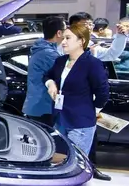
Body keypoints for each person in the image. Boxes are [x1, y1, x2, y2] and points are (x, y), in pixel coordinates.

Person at [44, 23, 109, 156]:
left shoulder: (92, 63)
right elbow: (47, 75)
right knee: (59, 159)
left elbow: (102, 92)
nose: (63, 42)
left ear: (81, 41)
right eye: (63, 38)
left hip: (80, 122)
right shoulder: (61, 61)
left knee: (76, 161)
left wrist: (93, 110)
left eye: (68, 38)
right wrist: (50, 83)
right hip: (59, 118)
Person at [22, 16, 66, 126]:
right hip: (44, 107)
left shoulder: (42, 48)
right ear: (59, 33)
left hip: (38, 106)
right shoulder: (49, 54)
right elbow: (66, 75)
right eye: (65, 30)